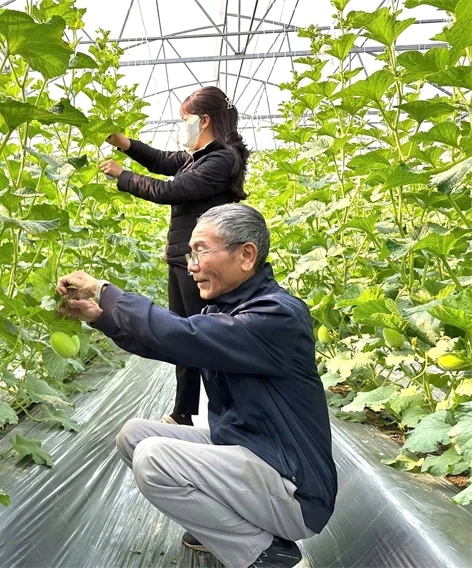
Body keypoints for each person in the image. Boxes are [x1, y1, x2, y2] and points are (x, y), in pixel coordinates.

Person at [56, 204, 337, 568]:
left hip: (294, 488)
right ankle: (225, 524)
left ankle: (267, 553)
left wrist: (105, 291)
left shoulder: (276, 315)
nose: (191, 265)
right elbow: (172, 343)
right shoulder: (227, 309)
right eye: (191, 253)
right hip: (253, 453)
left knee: (154, 458)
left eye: (201, 250)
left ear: (246, 255)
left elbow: (179, 335)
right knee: (134, 435)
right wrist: (101, 317)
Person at [99, 86, 251, 427]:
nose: (181, 126)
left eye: (185, 120)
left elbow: (170, 190)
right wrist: (125, 144)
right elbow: (160, 161)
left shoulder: (222, 158)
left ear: (205, 120)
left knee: (202, 337)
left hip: (203, 261)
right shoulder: (197, 157)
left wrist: (122, 175)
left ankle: (227, 415)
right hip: (182, 258)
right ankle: (183, 412)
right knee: (183, 336)